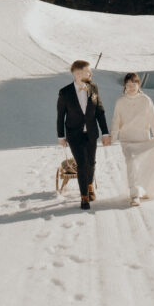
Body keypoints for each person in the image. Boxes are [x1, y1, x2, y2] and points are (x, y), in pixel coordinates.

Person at [57, 60, 111, 210]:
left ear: (89, 74)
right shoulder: (65, 92)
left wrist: (105, 133)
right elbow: (61, 116)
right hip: (74, 134)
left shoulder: (93, 88)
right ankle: (84, 196)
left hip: (91, 132)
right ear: (73, 74)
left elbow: (100, 112)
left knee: (91, 163)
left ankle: (89, 185)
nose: (82, 75)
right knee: (81, 164)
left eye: (85, 72)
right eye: (78, 73)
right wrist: (61, 136)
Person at [110, 73, 154, 206]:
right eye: (128, 85)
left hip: (144, 139)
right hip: (127, 141)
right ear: (125, 86)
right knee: (131, 163)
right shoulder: (120, 101)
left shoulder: (145, 100)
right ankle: (134, 195)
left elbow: (153, 118)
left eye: (134, 84)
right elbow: (116, 120)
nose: (131, 87)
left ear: (138, 85)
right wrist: (112, 137)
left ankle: (149, 189)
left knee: (146, 165)